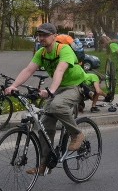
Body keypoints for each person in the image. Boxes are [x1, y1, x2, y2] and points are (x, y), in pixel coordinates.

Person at [6, 23, 86, 175]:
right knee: (43, 126)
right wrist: (14, 86)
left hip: (75, 86)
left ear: (55, 36)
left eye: (44, 35)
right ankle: (45, 165)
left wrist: (51, 91)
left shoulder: (64, 49)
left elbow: (60, 69)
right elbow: (29, 69)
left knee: (56, 105)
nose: (41, 38)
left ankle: (77, 134)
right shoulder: (41, 52)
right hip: (58, 88)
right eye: (39, 35)